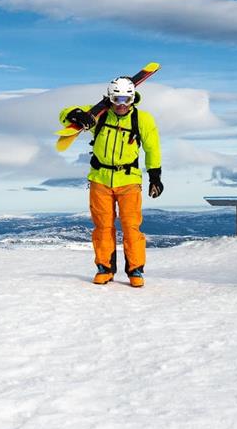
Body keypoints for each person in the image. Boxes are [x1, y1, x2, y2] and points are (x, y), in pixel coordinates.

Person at [60, 77, 163, 287]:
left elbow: (152, 148)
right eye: (117, 99)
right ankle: (104, 268)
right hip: (100, 179)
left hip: (129, 180)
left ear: (133, 99)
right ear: (110, 98)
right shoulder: (99, 114)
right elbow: (63, 115)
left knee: (131, 227)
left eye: (126, 100)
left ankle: (135, 270)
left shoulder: (143, 119)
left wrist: (155, 177)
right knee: (103, 227)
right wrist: (76, 114)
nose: (122, 105)